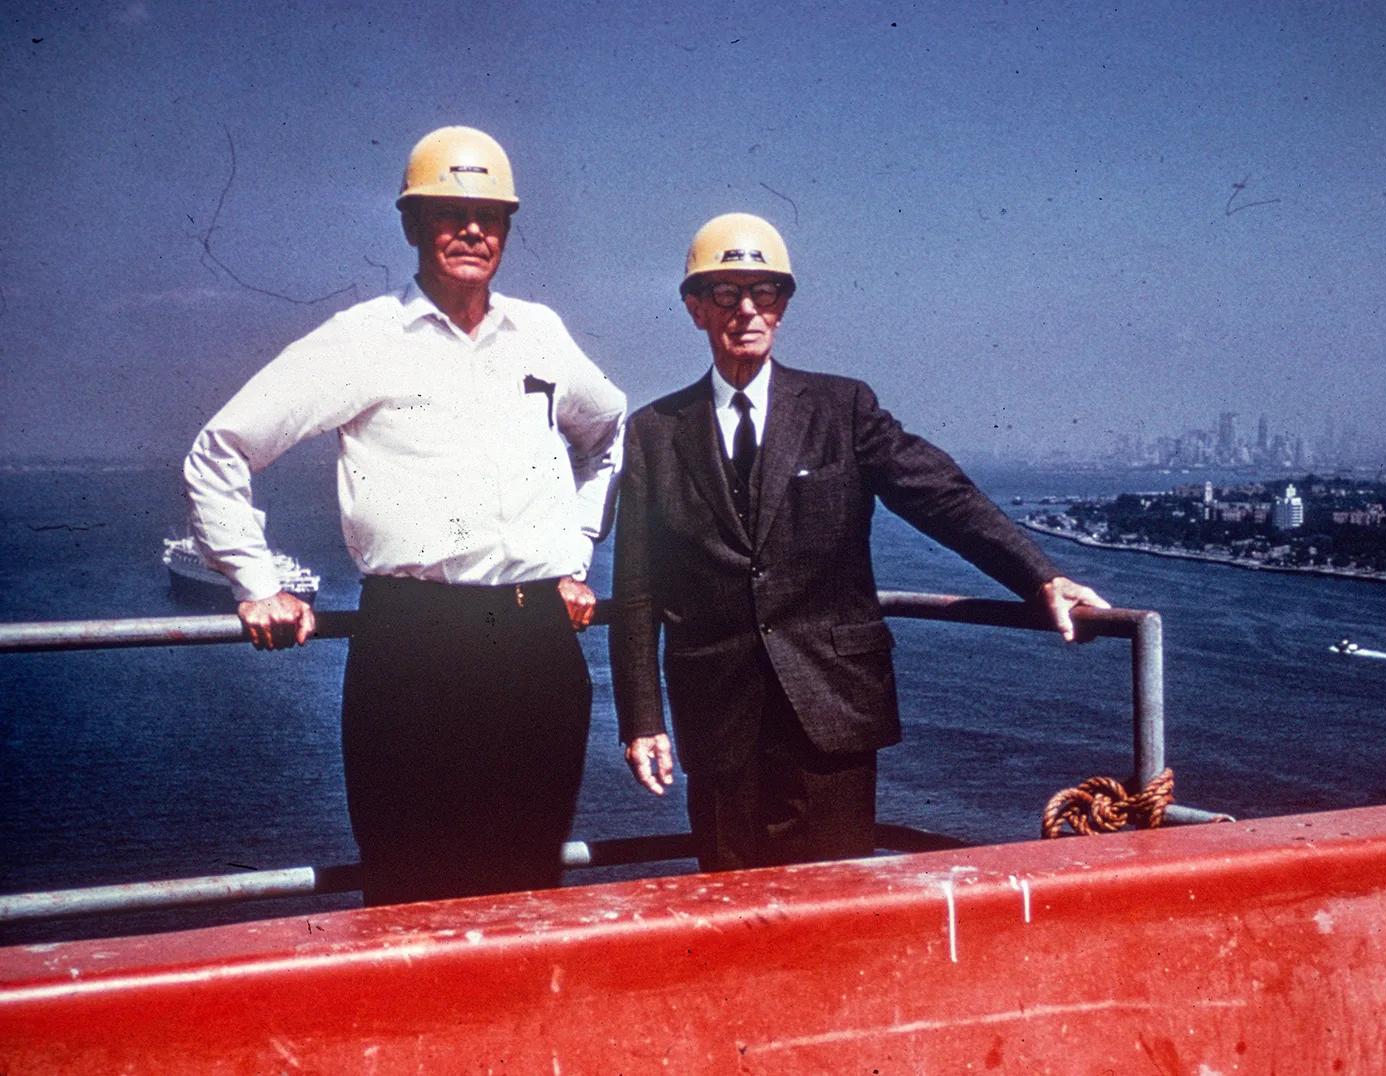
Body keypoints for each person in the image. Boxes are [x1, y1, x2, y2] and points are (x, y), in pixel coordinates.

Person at [183, 127, 626, 905]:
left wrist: (577, 550)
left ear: (509, 230)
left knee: (530, 888)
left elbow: (610, 433)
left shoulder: (542, 334)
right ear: (411, 225)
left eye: (488, 214)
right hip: (412, 647)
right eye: (447, 211)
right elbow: (221, 447)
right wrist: (255, 581)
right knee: (409, 887)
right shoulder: (364, 339)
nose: (471, 229)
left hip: (536, 645)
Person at [609, 213, 1108, 871]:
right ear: (696, 308)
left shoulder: (842, 409)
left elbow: (939, 494)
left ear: (784, 307)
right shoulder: (654, 432)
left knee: (839, 917)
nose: (748, 311)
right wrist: (643, 719)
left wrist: (1038, 576)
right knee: (733, 915)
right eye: (727, 293)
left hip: (831, 715)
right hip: (721, 725)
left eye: (766, 293)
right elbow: (638, 590)